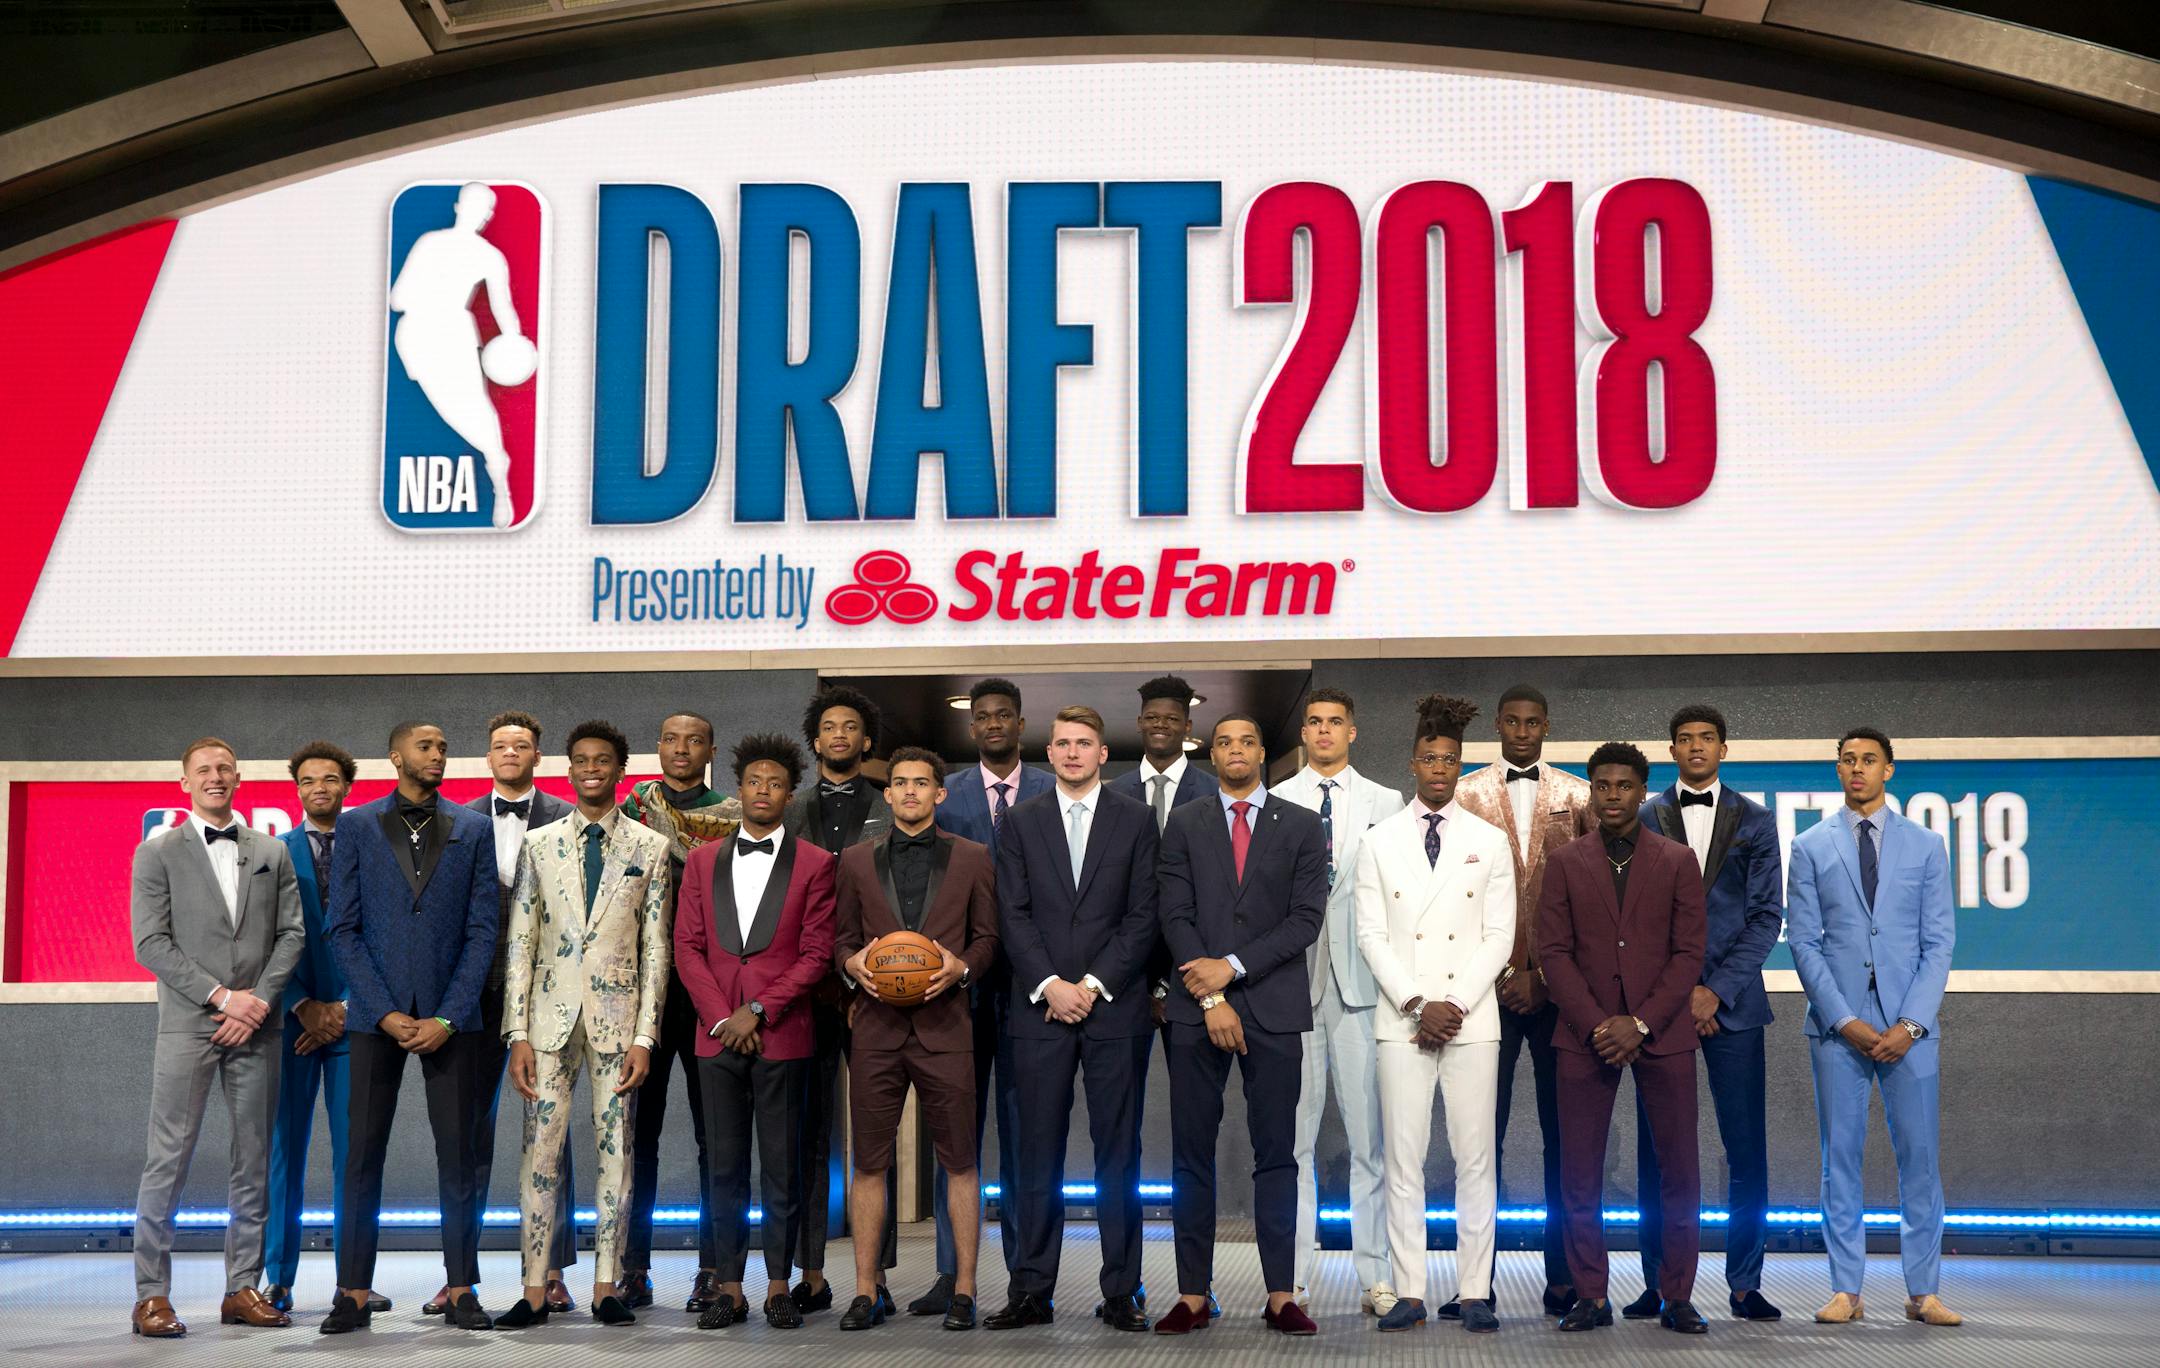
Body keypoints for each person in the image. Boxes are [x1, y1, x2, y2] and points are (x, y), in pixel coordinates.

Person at [984, 706, 1160, 1332]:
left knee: (1120, 1156)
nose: (1072, 752)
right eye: (1062, 743)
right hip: (1040, 1011)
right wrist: (1050, 985)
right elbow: (1011, 913)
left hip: (1115, 1009)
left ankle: (1122, 1292)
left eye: (1084, 743)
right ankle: (1031, 1290)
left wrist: (1091, 984)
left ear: (1102, 753)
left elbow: (1144, 915)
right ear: (1050, 752)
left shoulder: (1137, 819)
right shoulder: (1019, 820)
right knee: (1035, 1155)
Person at [321, 721, 500, 1334]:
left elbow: (483, 930)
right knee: (361, 1155)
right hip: (378, 1018)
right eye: (426, 747)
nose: (438, 755)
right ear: (395, 756)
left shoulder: (474, 828)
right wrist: (383, 1010)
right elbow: (343, 928)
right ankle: (352, 1291)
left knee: (460, 1155)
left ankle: (461, 1288)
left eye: (443, 747)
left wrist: (448, 1015)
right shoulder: (357, 825)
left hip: (453, 1019)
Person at [494, 720, 673, 1329]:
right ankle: (533, 1290)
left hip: (619, 1026)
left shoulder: (650, 847)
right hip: (546, 1024)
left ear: (620, 770)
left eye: (602, 760)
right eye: (581, 760)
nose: (591, 768)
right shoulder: (539, 843)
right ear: (567, 769)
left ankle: (606, 1286)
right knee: (538, 1154)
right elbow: (521, 941)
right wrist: (516, 1032)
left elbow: (656, 950)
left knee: (616, 1155)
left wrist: (646, 1036)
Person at [1154, 713, 1327, 1337]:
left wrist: (1230, 968)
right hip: (1195, 1008)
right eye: (1224, 741)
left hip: (1273, 1007)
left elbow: (1306, 918)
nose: (1235, 750)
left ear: (1261, 752)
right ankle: (1192, 1295)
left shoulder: (1302, 825)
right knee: (1190, 1154)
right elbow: (1173, 914)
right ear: (1213, 754)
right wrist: (1210, 998)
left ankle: (1281, 1295)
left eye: (1247, 741)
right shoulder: (1185, 822)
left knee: (1277, 1155)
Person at [130, 737, 305, 1338]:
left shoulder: (271, 850)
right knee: (168, 1160)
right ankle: (151, 1296)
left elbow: (292, 935)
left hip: (259, 1024)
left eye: (224, 768)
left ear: (238, 778)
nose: (215, 776)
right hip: (190, 1024)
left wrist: (256, 1003)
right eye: (203, 769)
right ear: (185, 783)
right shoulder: (156, 853)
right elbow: (150, 943)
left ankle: (242, 1288)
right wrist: (223, 998)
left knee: (253, 1160)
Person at [1787, 727, 1959, 1328]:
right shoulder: (1809, 845)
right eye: (1847, 760)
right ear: (1837, 770)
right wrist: (1843, 1019)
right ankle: (1846, 1290)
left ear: (1889, 770)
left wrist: (1911, 1023)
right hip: (1838, 1029)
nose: (1857, 768)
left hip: (1910, 1029)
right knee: (1840, 1158)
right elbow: (1804, 943)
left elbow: (1939, 942)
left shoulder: (1927, 845)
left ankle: (1924, 1292)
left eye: (1868, 760)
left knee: (1920, 1158)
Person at [1353, 695, 1515, 1335]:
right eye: (1429, 758)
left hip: (1471, 1020)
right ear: (1413, 763)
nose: (1439, 768)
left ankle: (1474, 1291)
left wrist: (1455, 1004)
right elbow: (1371, 935)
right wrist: (1419, 1004)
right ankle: (1411, 1291)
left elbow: (1499, 936)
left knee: (1476, 1160)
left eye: (1449, 759)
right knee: (1403, 1160)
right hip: (1404, 1020)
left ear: (1459, 765)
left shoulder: (1489, 840)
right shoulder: (1378, 840)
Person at [1537, 742, 1708, 1335]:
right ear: (1591, 790)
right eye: (1602, 785)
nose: (1613, 795)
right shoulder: (1565, 861)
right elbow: (1553, 952)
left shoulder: (1677, 860)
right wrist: (1596, 1023)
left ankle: (1678, 1296)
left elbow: (1689, 952)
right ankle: (1591, 1295)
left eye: (1624, 786)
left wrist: (1639, 1023)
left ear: (1642, 792)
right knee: (1579, 1172)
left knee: (1679, 1171)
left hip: (1662, 1032)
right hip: (1584, 1034)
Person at [673, 734, 837, 1331]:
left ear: (790, 795)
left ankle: (778, 1286)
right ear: (738, 790)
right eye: (753, 782)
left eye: (775, 783)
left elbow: (817, 954)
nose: (763, 790)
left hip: (783, 1033)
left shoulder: (816, 863)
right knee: (722, 1166)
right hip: (715, 1035)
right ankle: (729, 1288)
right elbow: (687, 948)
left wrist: (759, 1010)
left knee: (782, 1166)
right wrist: (723, 1017)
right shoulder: (700, 861)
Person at [833, 748, 1000, 1331]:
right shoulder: (855, 860)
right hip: (876, 1030)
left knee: (960, 1162)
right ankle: (865, 1291)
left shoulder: (974, 857)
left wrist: (962, 968)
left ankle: (965, 1290)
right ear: (887, 794)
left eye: (921, 783)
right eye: (900, 782)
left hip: (947, 1028)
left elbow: (988, 937)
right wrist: (852, 965)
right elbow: (841, 939)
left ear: (939, 793)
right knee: (869, 1164)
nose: (909, 791)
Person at [1629, 705, 1785, 1323]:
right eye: (1686, 739)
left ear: (1724, 748)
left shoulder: (1758, 820)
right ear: (1671, 750)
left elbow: (1765, 917)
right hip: (1662, 1008)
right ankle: (1657, 1282)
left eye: (1707, 738)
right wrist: (1681, 993)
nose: (1697, 747)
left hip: (1735, 1006)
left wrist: (1714, 990)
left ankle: (1745, 1284)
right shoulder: (1644, 817)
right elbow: (1638, 923)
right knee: (1656, 1151)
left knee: (1745, 1150)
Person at [1451, 683, 1591, 1316]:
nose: (1523, 731)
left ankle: (1565, 1279)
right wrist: (1505, 971)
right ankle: (1475, 1285)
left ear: (1547, 726)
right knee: (1481, 1141)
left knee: (1564, 1139)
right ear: (1499, 725)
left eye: (1534, 722)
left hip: (1562, 994)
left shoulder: (1579, 795)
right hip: (1485, 991)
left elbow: (1591, 899)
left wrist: (1546, 975)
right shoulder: (1464, 793)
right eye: (1512, 721)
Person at [437, 711, 575, 1318]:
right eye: (500, 745)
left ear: (537, 756)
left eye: (521, 745)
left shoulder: (567, 818)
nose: (511, 753)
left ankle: (553, 1272)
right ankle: (458, 1276)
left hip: (547, 994)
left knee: (550, 1133)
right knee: (465, 1136)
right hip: (473, 995)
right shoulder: (459, 821)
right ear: (488, 756)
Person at [1272, 687, 1403, 1314]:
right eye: (1315, 722)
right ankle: (1292, 1279)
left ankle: (1375, 1277)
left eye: (1335, 722)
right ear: (1304, 733)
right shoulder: (1274, 800)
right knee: (1293, 1143)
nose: (1324, 731)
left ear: (1353, 731)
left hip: (1362, 986)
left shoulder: (1387, 801)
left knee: (1368, 1141)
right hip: (1290, 985)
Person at [924, 677, 1052, 1315]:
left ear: (1020, 723)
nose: (994, 723)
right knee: (956, 1134)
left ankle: (1026, 1275)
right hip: (961, 985)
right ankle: (953, 1275)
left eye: (1005, 714)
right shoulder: (948, 793)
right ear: (971, 727)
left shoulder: (1052, 787)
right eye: (983, 716)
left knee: (1027, 1133)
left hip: (1034, 984)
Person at [617, 711, 742, 1312]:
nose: (682, 749)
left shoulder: (735, 818)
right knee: (636, 1135)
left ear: (711, 750)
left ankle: (714, 1268)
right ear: (658, 747)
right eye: (671, 739)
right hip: (642, 992)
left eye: (695, 740)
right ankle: (632, 1267)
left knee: (714, 1137)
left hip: (710, 992)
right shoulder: (632, 812)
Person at [264, 742, 388, 1316]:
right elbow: (258, 940)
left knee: (355, 1157)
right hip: (290, 1024)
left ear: (347, 787)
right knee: (283, 1152)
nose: (320, 788)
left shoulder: (376, 848)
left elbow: (388, 936)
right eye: (309, 780)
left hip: (355, 1021)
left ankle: (353, 1280)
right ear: (297, 789)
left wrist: (346, 1006)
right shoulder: (272, 853)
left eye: (331, 779)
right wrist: (300, 1005)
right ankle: (276, 1279)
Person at [784, 685, 897, 1315]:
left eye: (850, 726)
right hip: (806, 994)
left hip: (874, 991)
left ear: (866, 739)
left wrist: (862, 976)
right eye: (829, 726)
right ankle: (812, 1272)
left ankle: (875, 1276)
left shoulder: (890, 808)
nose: (839, 735)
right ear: (815, 739)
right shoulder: (790, 810)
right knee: (807, 1134)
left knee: (876, 1135)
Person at [388, 180, 525, 526]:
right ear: (459, 207)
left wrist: (514, 343)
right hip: (418, 335)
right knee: (454, 409)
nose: (479, 216)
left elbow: (503, 308)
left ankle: (499, 474)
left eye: (483, 211)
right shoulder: (430, 243)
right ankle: (495, 460)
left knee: (473, 407)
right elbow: (397, 298)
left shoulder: (489, 257)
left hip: (451, 335)